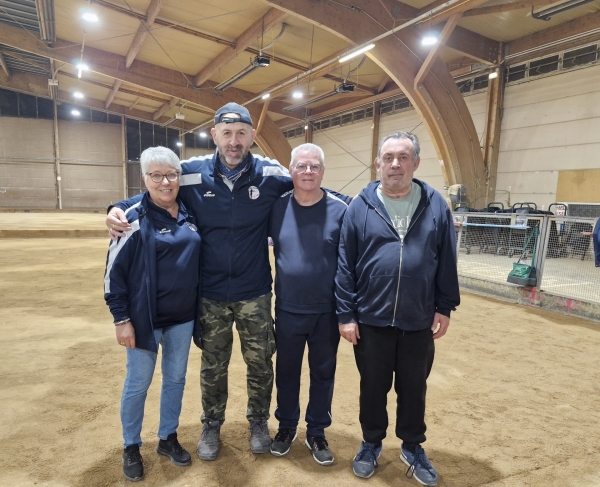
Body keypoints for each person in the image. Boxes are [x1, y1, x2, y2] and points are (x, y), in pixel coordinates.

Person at [106, 103, 293, 460]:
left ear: (253, 135)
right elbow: (155, 190)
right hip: (209, 294)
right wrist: (116, 208)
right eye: (227, 133)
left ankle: (257, 422)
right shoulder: (189, 173)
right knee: (213, 364)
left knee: (260, 362)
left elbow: (309, 186)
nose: (234, 141)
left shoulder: (271, 173)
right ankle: (211, 424)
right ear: (214, 136)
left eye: (241, 133)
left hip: (254, 291)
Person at [335, 131, 460, 486]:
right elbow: (346, 263)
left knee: (413, 387)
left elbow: (446, 259)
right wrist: (346, 314)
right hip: (371, 319)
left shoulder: (435, 203)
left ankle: (411, 445)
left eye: (403, 157)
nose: (395, 164)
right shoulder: (360, 205)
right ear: (377, 164)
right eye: (388, 157)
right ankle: (371, 442)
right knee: (372, 386)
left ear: (415, 163)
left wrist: (445, 305)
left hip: (418, 318)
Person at [104, 146, 202, 482]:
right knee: (138, 383)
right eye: (156, 175)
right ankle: (131, 445)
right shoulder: (131, 219)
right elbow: (113, 274)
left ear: (179, 177)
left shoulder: (191, 212)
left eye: (171, 174)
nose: (165, 181)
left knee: (175, 380)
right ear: (144, 178)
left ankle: (167, 437)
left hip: (183, 319)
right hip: (144, 320)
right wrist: (121, 319)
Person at [268, 143, 348, 465]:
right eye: (302, 166)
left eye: (314, 166)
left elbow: (349, 264)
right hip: (288, 309)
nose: (308, 172)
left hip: (326, 313)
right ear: (291, 171)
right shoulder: (276, 208)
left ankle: (317, 431)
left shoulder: (341, 210)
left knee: (323, 374)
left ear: (323, 172)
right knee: (286, 372)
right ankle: (286, 427)